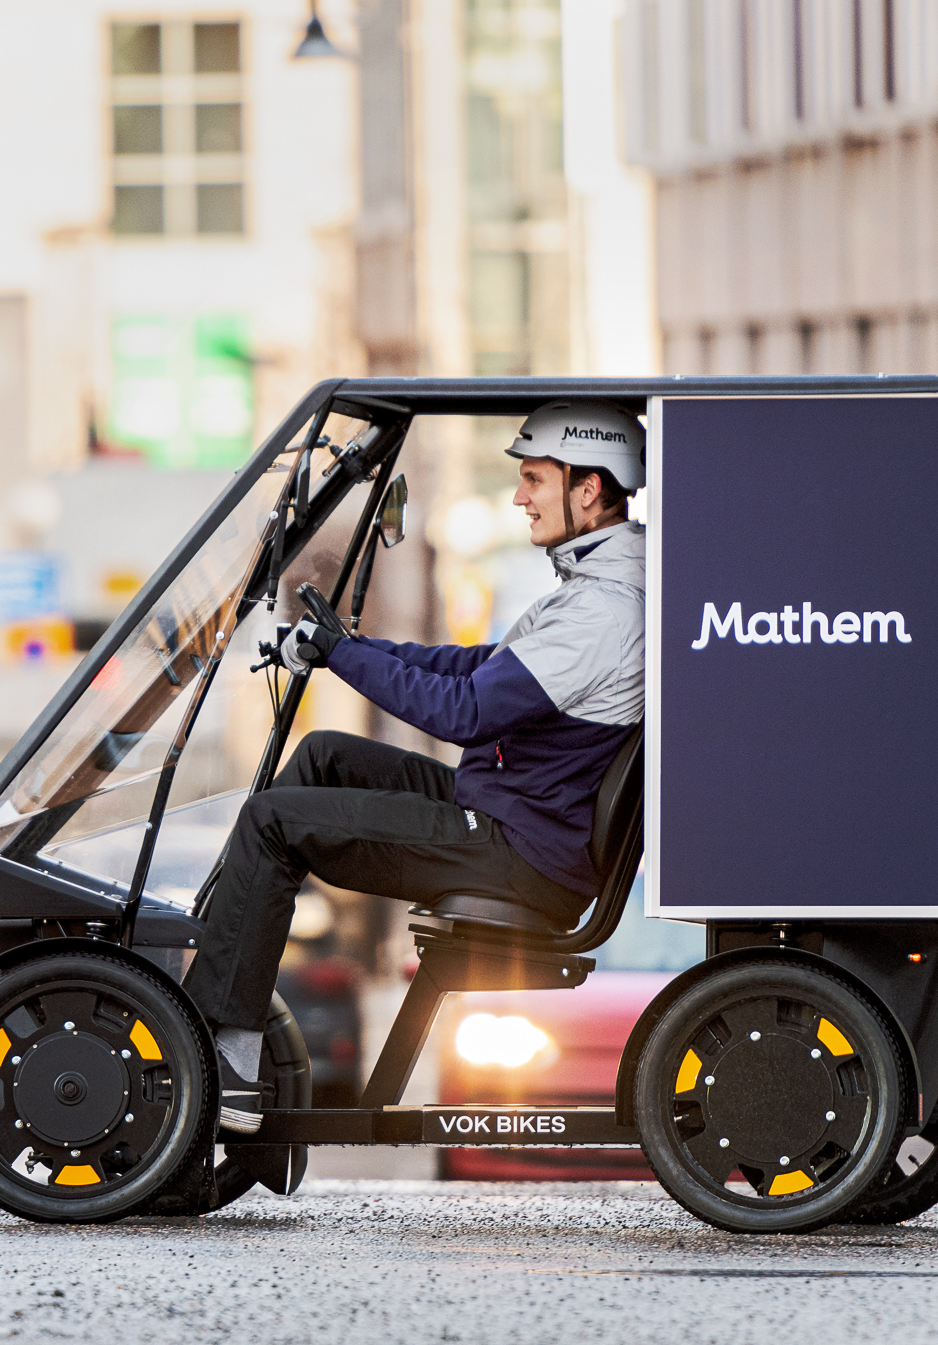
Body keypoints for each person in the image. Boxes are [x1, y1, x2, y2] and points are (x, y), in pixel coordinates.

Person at [183, 400, 647, 1132]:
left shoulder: (603, 612)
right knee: (324, 756)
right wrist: (352, 645)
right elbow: (473, 666)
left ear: (589, 488)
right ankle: (228, 967)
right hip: (513, 814)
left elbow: (465, 712)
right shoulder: (591, 588)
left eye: (533, 479)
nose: (520, 497)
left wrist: (340, 656)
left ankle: (231, 1061)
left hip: (517, 849)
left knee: (273, 821)